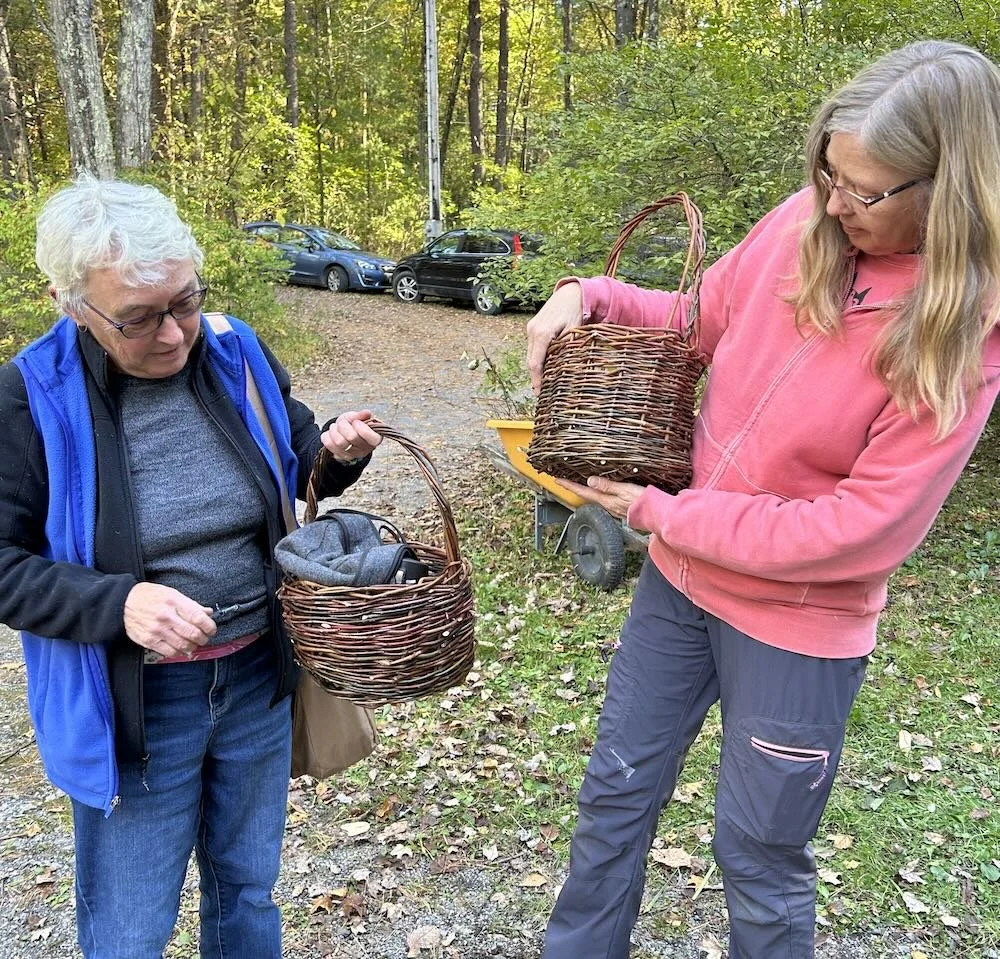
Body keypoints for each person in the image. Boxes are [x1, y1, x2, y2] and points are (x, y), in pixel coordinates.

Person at [526, 40, 1000, 959]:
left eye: (864, 192)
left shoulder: (962, 338)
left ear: (949, 190)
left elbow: (861, 532)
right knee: (615, 791)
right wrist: (587, 293)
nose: (833, 204)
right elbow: (691, 320)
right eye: (828, 174)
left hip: (797, 630)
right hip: (678, 589)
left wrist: (662, 512)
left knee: (759, 853)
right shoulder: (801, 224)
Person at [0, 176, 384, 958]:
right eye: (139, 319)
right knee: (130, 926)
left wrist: (333, 456)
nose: (174, 334)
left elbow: (295, 459)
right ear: (71, 303)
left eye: (183, 300)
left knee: (247, 889)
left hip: (255, 681)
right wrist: (119, 604)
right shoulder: (29, 397)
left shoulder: (233, 347)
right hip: (137, 705)